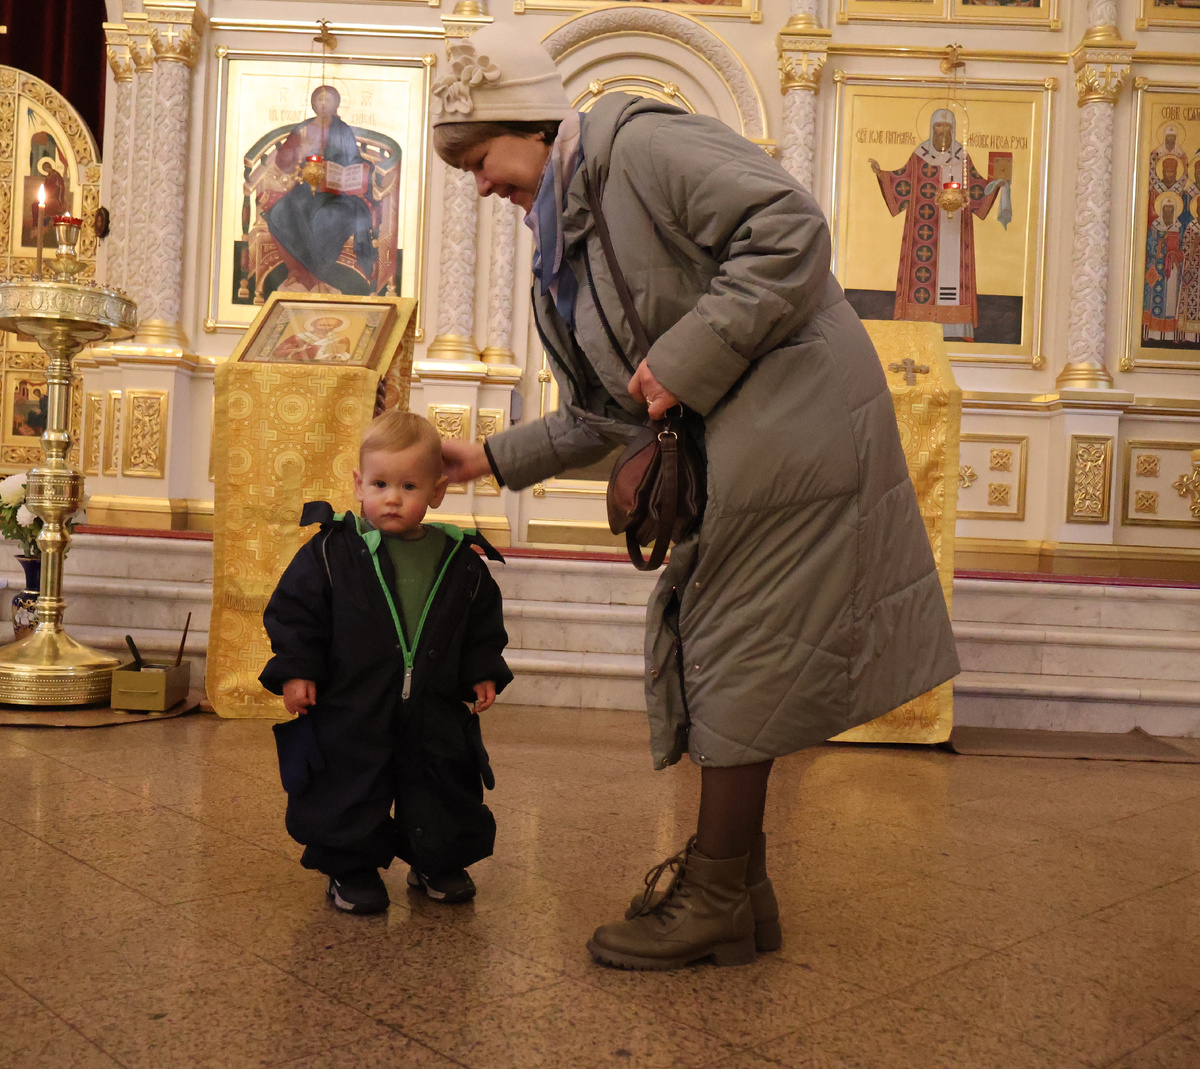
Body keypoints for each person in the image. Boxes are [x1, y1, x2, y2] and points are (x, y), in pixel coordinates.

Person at [430, 24, 960, 970]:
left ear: (532, 126)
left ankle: (717, 892)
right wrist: (483, 459)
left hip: (797, 422)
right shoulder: (567, 239)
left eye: (479, 159)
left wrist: (684, 356)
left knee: (732, 645)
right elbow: (608, 409)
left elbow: (791, 231)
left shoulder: (640, 145)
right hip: (747, 441)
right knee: (724, 644)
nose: (478, 185)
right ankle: (740, 891)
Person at [260, 411, 513, 913]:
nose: (392, 498)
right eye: (379, 483)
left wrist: (482, 669)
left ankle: (435, 860)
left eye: (409, 485)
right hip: (352, 702)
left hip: (434, 704)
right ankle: (350, 868)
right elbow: (296, 613)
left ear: (437, 492)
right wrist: (297, 668)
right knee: (350, 781)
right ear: (358, 484)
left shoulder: (459, 559)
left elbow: (480, 621)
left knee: (441, 781)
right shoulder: (332, 552)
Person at [869, 108, 1006, 342]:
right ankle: (914, 324)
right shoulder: (920, 155)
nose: (943, 131)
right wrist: (882, 174)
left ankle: (958, 328)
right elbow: (902, 180)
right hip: (923, 229)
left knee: (955, 275)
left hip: (956, 230)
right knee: (920, 273)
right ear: (931, 128)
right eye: (939, 126)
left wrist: (996, 182)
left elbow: (975, 186)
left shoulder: (962, 156)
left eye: (948, 127)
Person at [264, 85, 377, 296]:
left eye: (329, 100)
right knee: (279, 213)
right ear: (313, 103)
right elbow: (283, 160)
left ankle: (318, 278)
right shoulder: (304, 128)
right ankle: (297, 273)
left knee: (326, 219)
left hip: (338, 195)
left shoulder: (342, 129)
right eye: (320, 100)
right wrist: (299, 151)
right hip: (308, 189)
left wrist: (358, 170)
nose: (324, 104)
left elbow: (354, 159)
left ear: (336, 104)